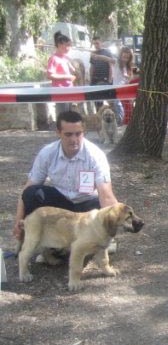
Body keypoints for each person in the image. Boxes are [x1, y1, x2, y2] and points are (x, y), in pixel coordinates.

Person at [12, 110, 119, 245]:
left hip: (87, 206)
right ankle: (35, 238)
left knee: (102, 208)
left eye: (78, 134)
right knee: (32, 193)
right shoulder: (47, 153)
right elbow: (27, 189)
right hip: (60, 206)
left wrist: (111, 230)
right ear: (58, 133)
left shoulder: (96, 156)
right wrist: (18, 220)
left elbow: (106, 195)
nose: (74, 139)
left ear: (83, 132)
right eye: (68, 134)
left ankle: (97, 239)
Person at [47, 31, 77, 115]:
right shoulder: (53, 58)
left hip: (69, 91)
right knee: (62, 116)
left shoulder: (65, 58)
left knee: (69, 115)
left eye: (69, 45)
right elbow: (50, 75)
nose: (69, 48)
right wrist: (66, 76)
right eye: (67, 45)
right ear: (60, 45)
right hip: (60, 91)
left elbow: (73, 70)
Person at [89, 36, 115, 110]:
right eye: (94, 44)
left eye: (97, 43)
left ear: (101, 43)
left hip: (105, 79)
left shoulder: (107, 52)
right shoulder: (93, 54)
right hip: (95, 80)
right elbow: (92, 67)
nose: (96, 45)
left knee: (109, 101)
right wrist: (91, 80)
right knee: (97, 102)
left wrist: (110, 80)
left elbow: (111, 66)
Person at [111, 46, 134, 126]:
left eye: (128, 57)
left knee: (129, 111)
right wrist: (96, 56)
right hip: (117, 91)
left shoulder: (128, 67)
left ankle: (126, 126)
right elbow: (107, 59)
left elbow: (130, 79)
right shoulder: (116, 63)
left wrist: (128, 77)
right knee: (120, 111)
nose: (126, 58)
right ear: (121, 55)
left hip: (126, 92)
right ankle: (122, 126)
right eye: (124, 56)